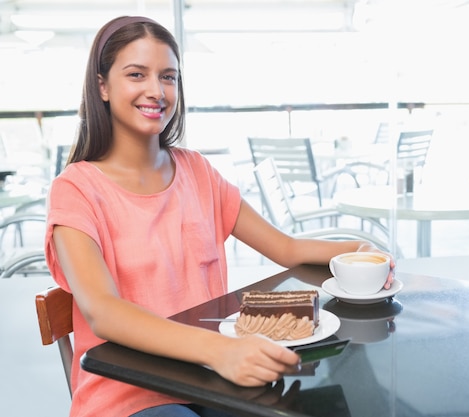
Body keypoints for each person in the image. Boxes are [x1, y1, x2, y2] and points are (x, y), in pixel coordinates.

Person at [44, 16, 394, 417]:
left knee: (335, 398)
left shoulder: (196, 172)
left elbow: (285, 246)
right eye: (136, 74)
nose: (156, 90)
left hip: (210, 380)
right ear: (102, 86)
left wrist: (359, 251)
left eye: (169, 77)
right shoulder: (75, 189)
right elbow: (103, 311)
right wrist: (221, 350)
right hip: (130, 396)